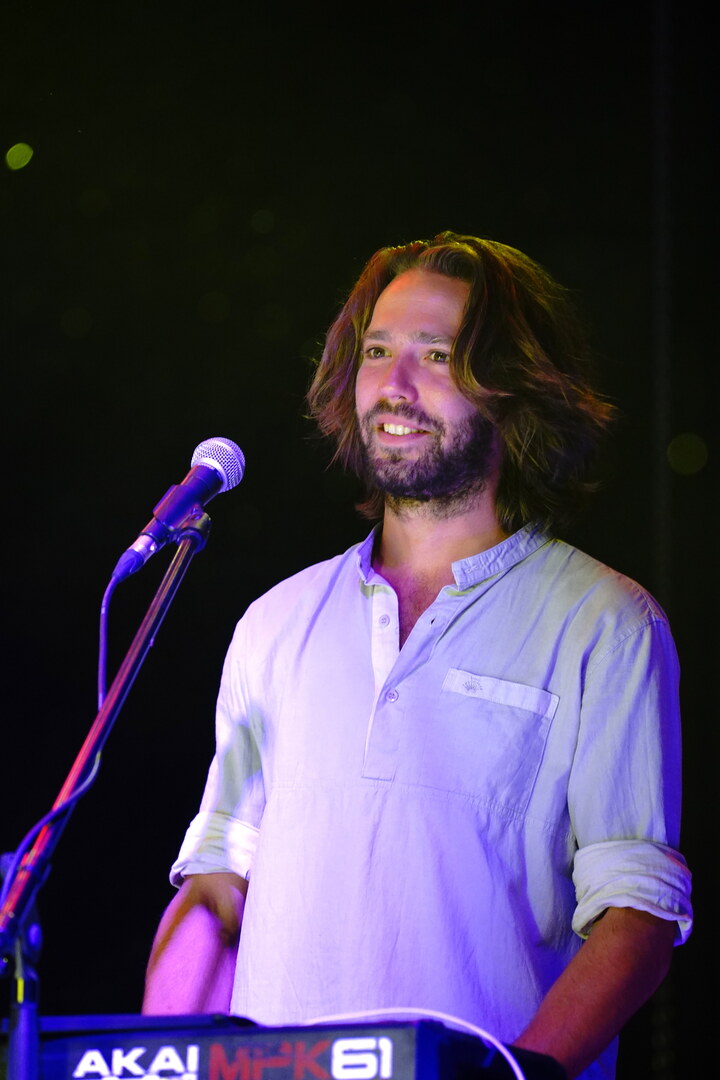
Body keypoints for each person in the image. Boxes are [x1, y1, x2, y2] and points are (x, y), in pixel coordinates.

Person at [142, 232, 693, 1080]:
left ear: (514, 385)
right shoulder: (275, 622)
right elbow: (217, 884)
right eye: (376, 351)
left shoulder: (606, 623)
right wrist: (153, 1060)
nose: (393, 385)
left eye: (436, 355)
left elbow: (635, 914)